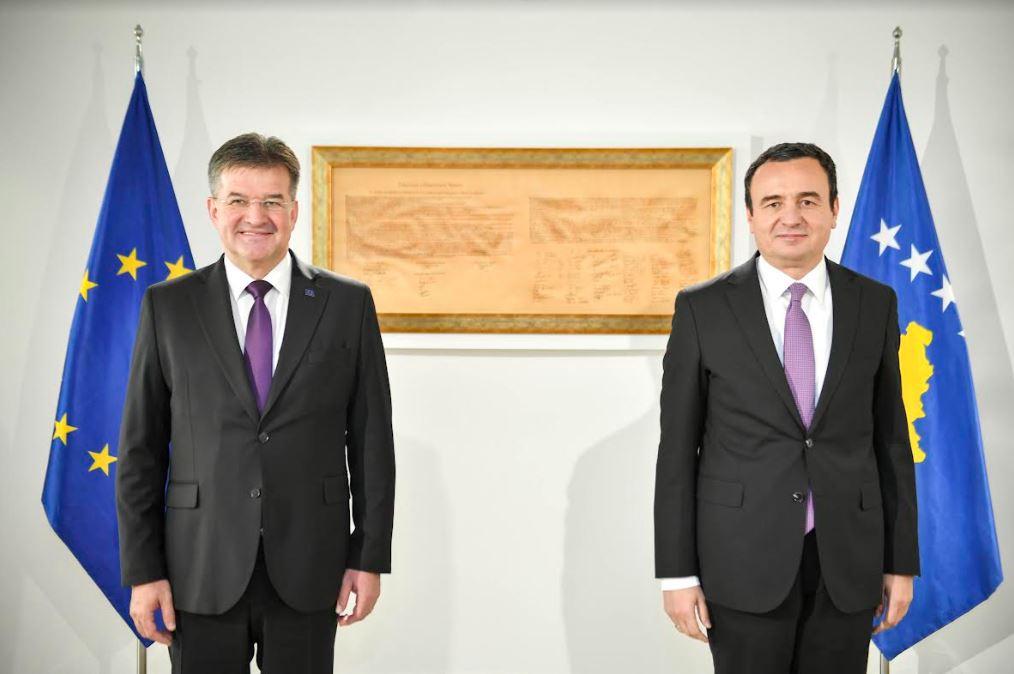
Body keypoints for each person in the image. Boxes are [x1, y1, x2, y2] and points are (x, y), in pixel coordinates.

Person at [116, 133, 395, 673]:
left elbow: (372, 441)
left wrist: (369, 556)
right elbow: (139, 450)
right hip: (199, 566)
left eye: (271, 201)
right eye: (239, 201)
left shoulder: (347, 304)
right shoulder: (168, 306)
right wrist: (143, 571)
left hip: (310, 563)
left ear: (293, 211)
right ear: (213, 210)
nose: (255, 217)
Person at [654, 142, 919, 673]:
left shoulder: (875, 303)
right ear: (750, 216)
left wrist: (900, 562)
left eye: (808, 200)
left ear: (834, 210)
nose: (791, 217)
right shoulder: (702, 309)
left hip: (848, 562)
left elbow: (891, 439)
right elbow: (678, 451)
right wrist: (677, 574)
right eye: (773, 203)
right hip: (741, 559)